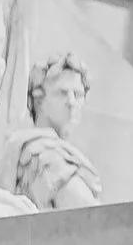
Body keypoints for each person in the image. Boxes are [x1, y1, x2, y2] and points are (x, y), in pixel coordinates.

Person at [13, 51, 103, 210]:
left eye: (78, 94)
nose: (72, 102)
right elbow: (89, 214)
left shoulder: (58, 152)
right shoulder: (44, 153)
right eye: (62, 93)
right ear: (39, 101)